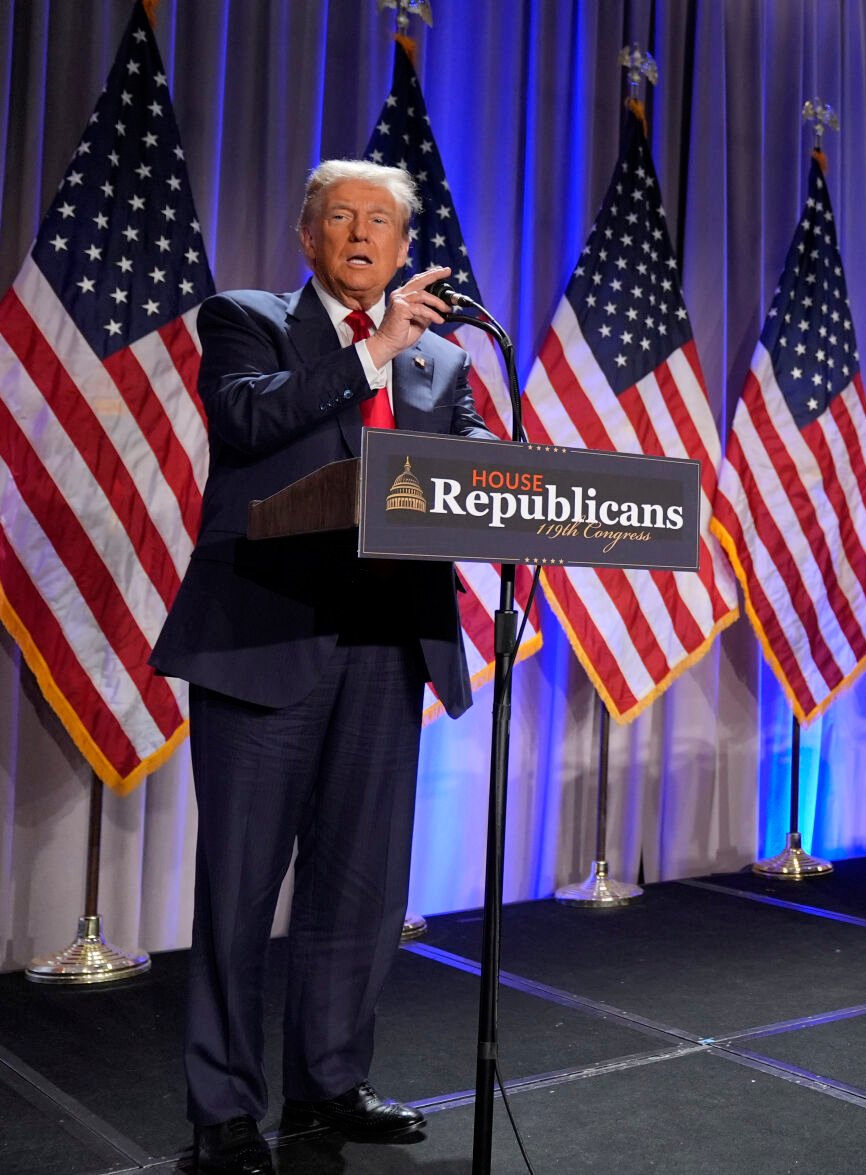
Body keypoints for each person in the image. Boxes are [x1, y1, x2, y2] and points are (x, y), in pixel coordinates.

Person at [151, 160, 493, 1175]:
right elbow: (250, 422)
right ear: (307, 239)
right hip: (265, 643)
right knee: (239, 891)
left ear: (397, 248)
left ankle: (327, 1082)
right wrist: (368, 351)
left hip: (386, 649)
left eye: (378, 221)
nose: (359, 233)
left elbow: (475, 470)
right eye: (339, 217)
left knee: (359, 888)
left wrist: (517, 476)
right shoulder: (244, 319)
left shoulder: (441, 364)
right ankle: (222, 1112)